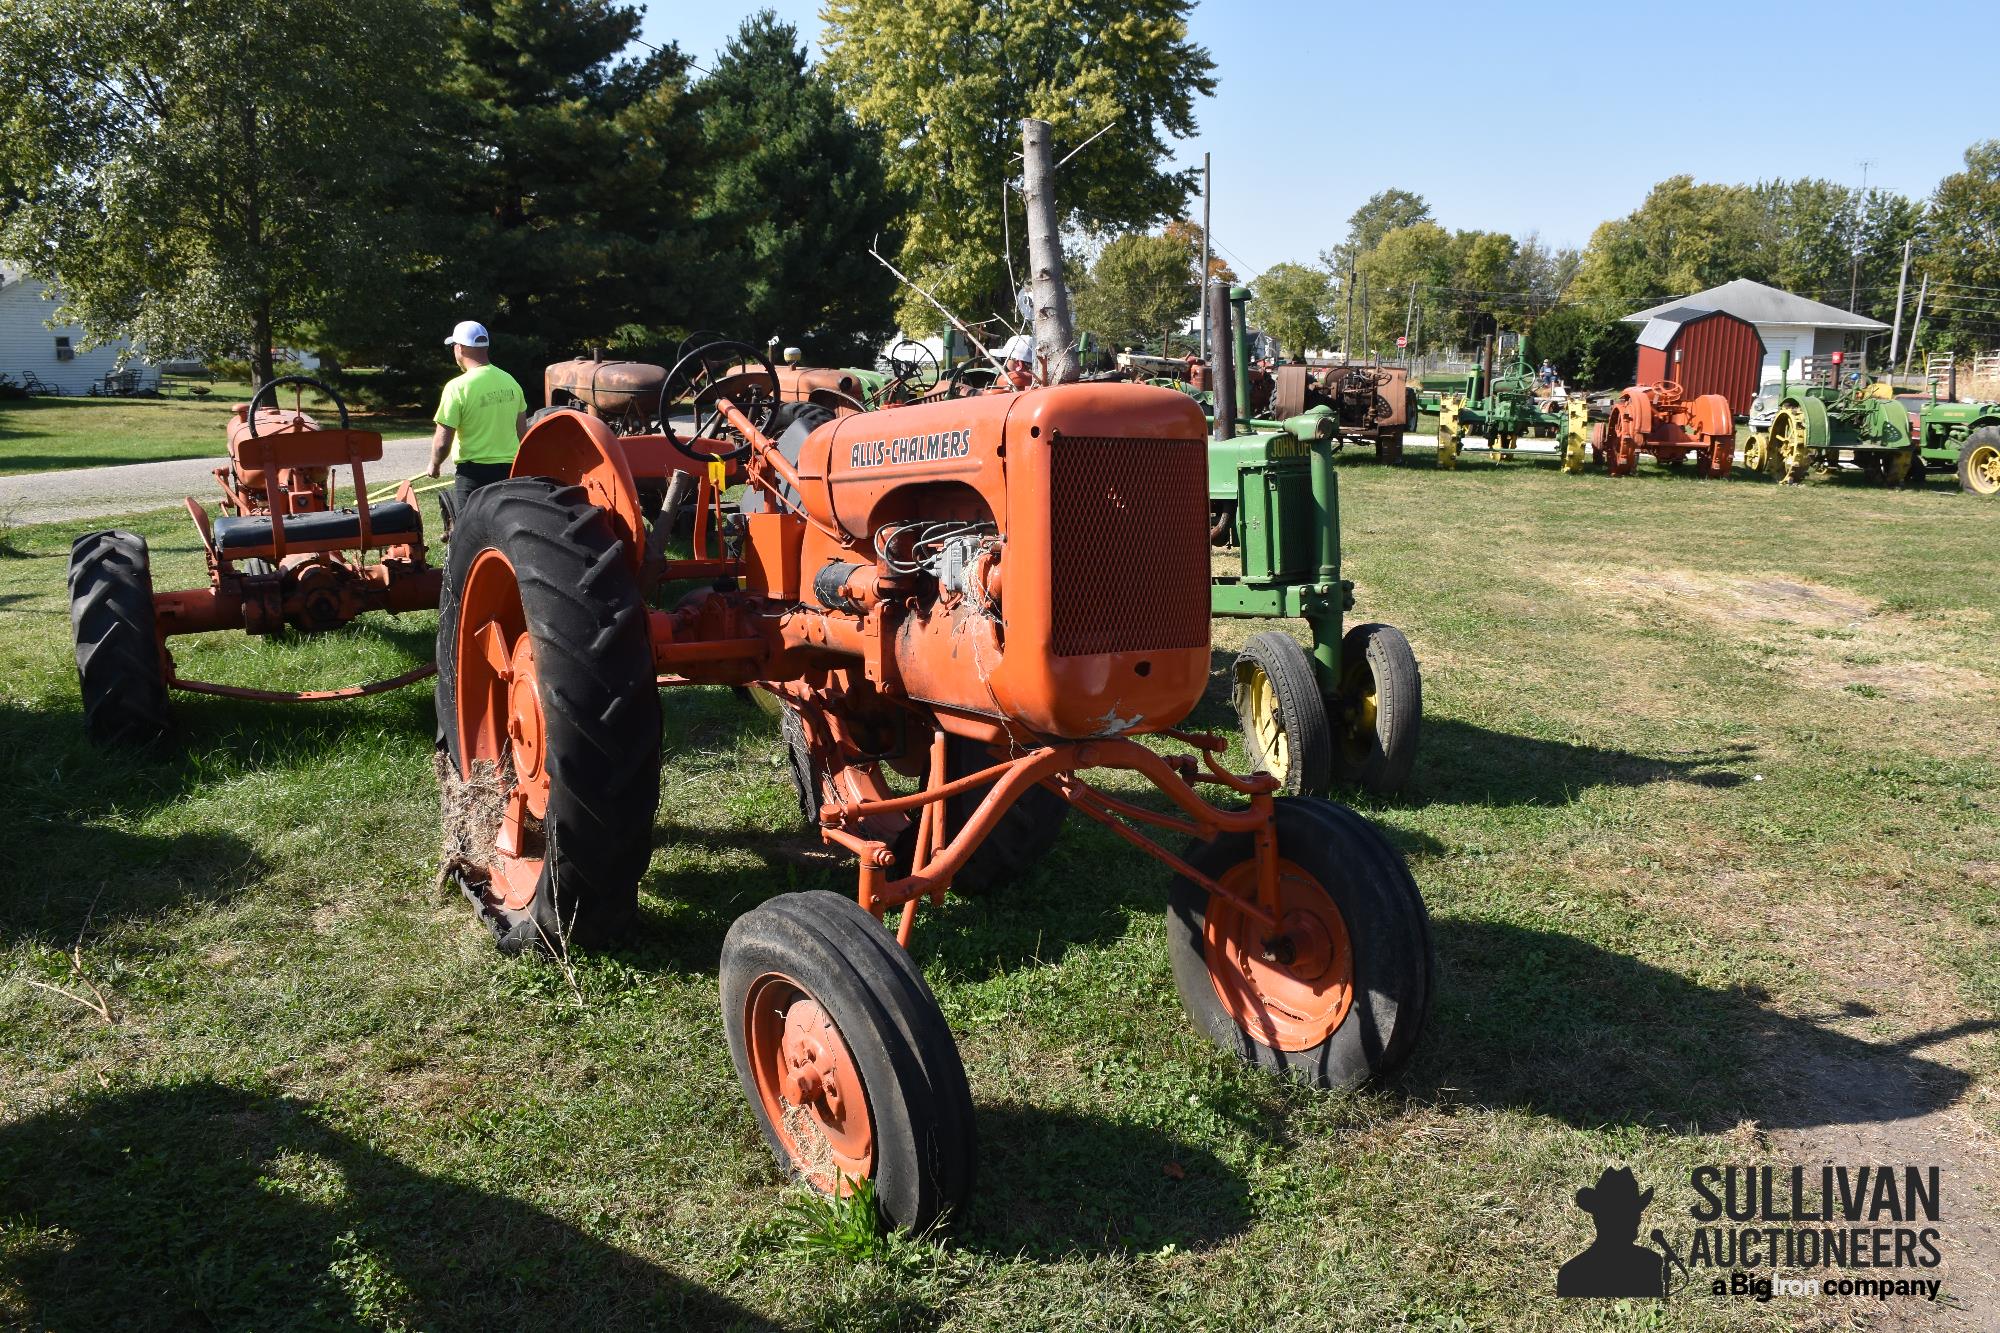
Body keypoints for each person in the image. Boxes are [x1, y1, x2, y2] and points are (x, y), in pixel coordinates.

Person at [427, 320, 528, 510]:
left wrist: (434, 464)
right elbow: (523, 434)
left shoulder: (457, 387)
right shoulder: (511, 381)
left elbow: (442, 441)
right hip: (510, 470)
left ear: (460, 348)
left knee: (471, 536)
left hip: (474, 474)